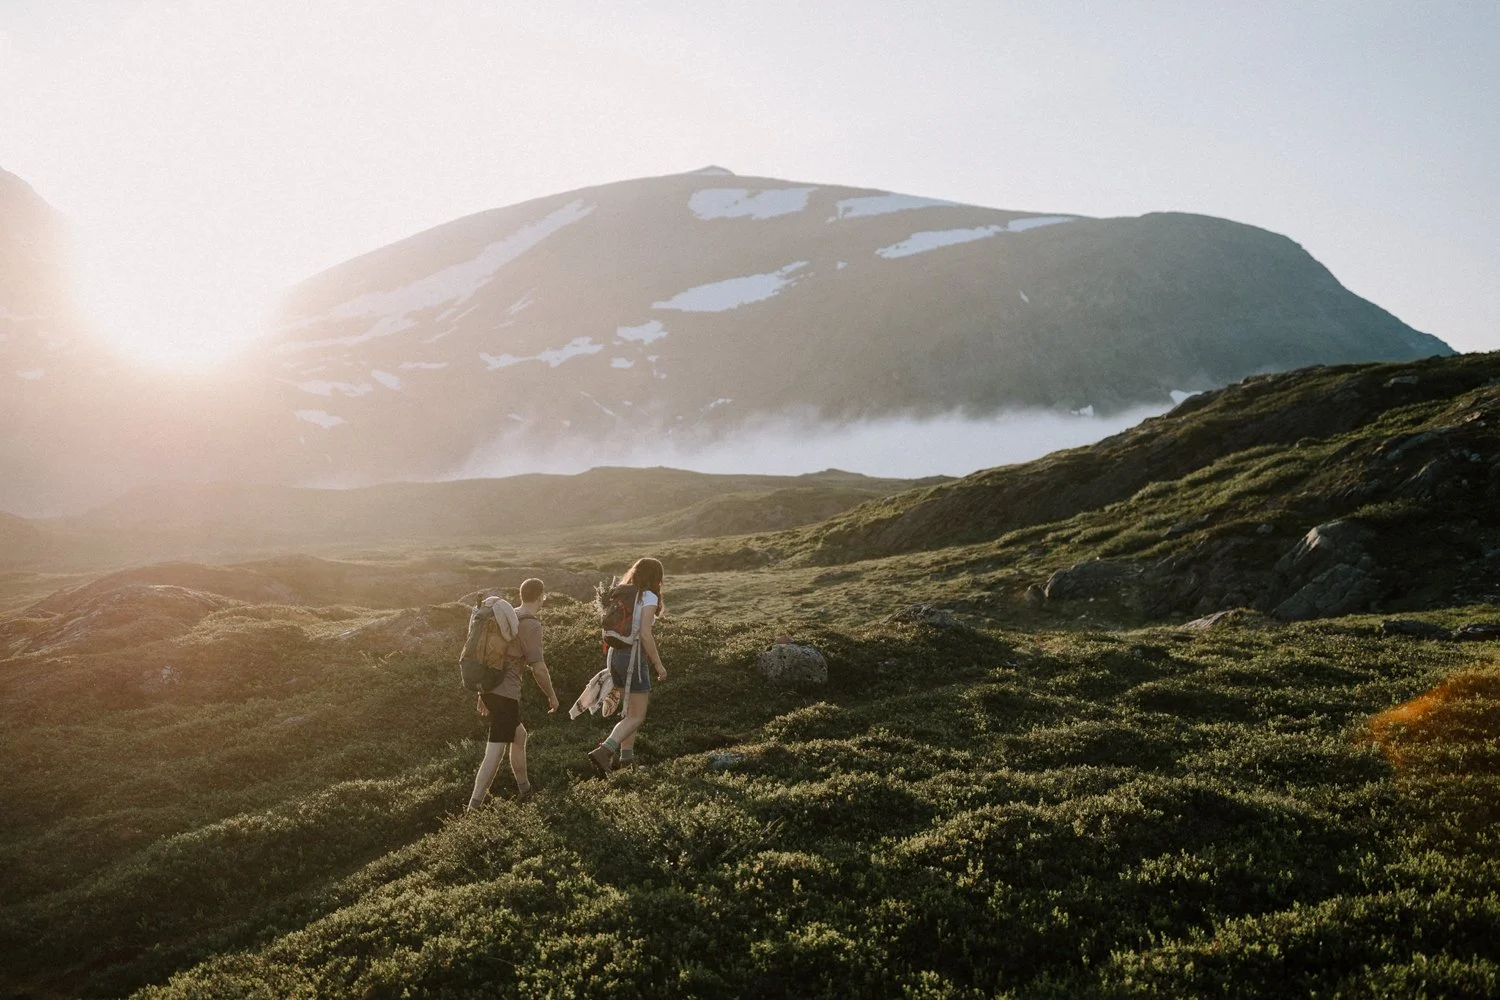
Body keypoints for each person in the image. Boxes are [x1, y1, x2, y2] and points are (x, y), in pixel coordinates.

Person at [467, 578, 559, 809]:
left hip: (491, 689)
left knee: (519, 735)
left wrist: (483, 692)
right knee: (495, 750)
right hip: (505, 694)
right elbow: (538, 668)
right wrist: (551, 695)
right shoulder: (531, 625)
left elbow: (492, 656)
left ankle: (525, 791)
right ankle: (473, 805)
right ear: (541, 597)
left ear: (521, 595)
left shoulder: (506, 617)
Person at [588, 557, 668, 775]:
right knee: (637, 715)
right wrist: (658, 665)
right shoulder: (648, 596)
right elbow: (645, 634)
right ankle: (605, 751)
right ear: (656, 577)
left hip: (615, 655)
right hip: (633, 657)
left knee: (629, 713)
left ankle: (626, 761)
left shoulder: (622, 592)